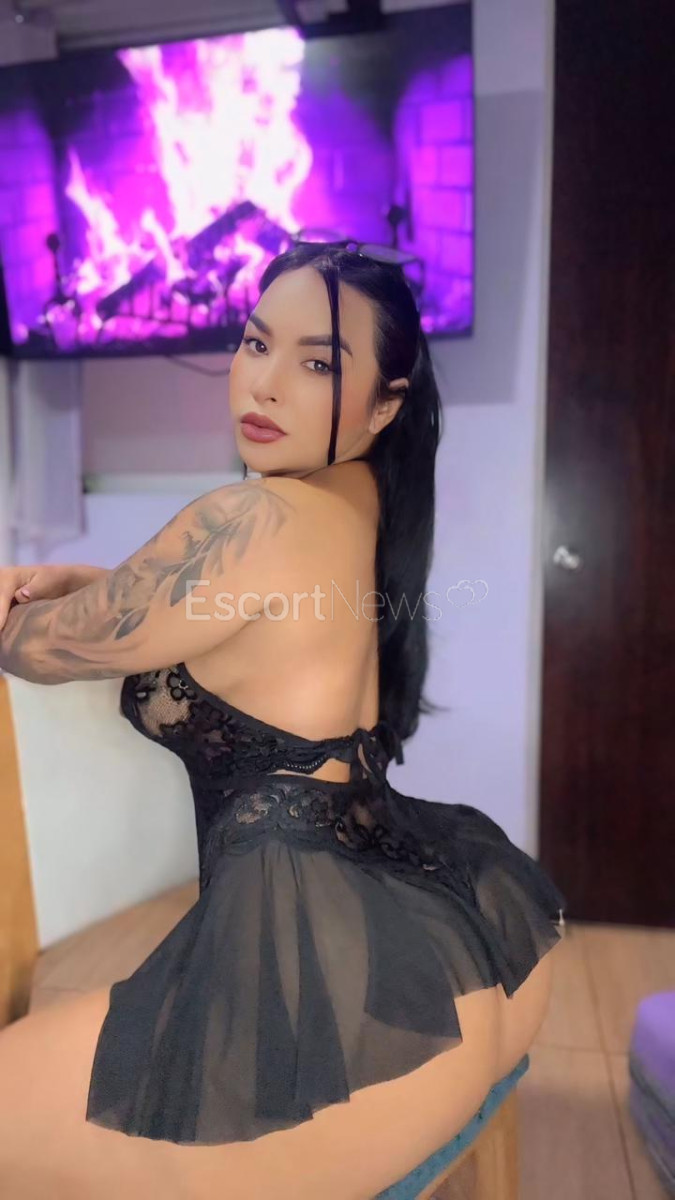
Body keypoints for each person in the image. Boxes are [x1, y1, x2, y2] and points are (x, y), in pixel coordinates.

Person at [0, 243, 566, 1199]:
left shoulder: (252, 519)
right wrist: (80, 582)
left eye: (317, 363)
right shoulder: (361, 497)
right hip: (462, 951)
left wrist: (29, 603)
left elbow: (43, 650)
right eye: (256, 343)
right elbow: (208, 610)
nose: (263, 384)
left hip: (333, 1022)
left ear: (383, 404)